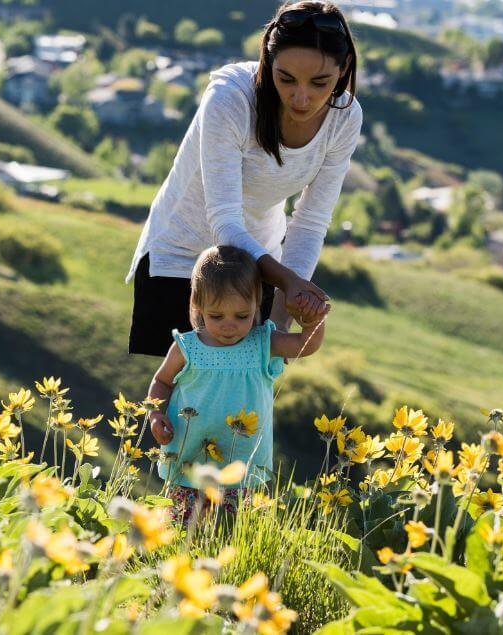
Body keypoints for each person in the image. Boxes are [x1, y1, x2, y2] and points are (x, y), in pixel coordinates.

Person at [127, 0, 360, 357]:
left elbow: (310, 222)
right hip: (181, 258)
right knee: (173, 402)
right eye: (286, 79)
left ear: (343, 68)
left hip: (257, 269)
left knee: (240, 400)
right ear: (268, 63)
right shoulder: (231, 98)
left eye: (319, 82)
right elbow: (224, 220)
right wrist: (288, 282)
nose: (301, 97)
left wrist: (282, 314)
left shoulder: (344, 118)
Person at [146, 245, 327, 526]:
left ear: (257, 305)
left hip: (240, 467)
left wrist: (313, 321)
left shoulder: (262, 343)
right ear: (198, 306)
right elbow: (161, 381)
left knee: (230, 532)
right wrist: (155, 414)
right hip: (188, 459)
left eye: (242, 316)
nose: (229, 326)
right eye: (216, 316)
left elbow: (304, 345)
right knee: (181, 530)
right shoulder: (186, 347)